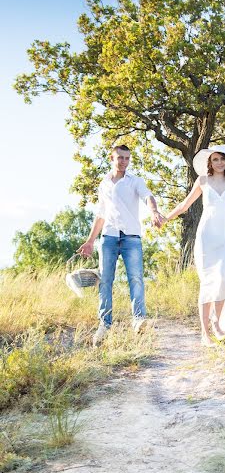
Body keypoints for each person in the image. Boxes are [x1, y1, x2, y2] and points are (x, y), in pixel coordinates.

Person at [164, 146, 225, 346]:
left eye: (223, 159)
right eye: (215, 159)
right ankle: (205, 333)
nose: (219, 162)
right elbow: (184, 206)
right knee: (208, 282)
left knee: (223, 278)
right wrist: (165, 218)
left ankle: (217, 320)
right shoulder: (203, 181)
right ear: (209, 162)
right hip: (208, 235)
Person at [78, 145, 165, 346]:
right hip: (108, 237)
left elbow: (147, 197)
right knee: (105, 280)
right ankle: (104, 325)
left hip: (131, 237)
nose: (124, 161)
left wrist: (154, 212)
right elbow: (101, 213)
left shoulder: (135, 181)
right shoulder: (104, 183)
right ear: (112, 158)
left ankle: (138, 320)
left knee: (135, 279)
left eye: (127, 158)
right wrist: (91, 241)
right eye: (120, 157)